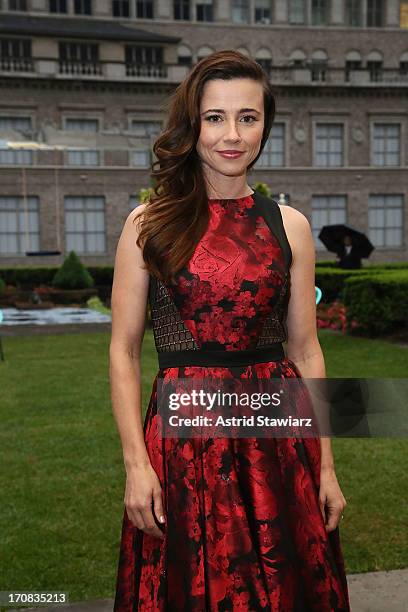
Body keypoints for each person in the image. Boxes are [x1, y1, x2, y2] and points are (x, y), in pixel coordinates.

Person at [110, 49, 350, 611]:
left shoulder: (289, 225)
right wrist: (135, 465)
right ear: (192, 124)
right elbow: (123, 354)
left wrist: (328, 465)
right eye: (215, 117)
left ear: (266, 124)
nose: (233, 135)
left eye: (249, 117)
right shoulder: (148, 224)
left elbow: (306, 350)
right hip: (184, 441)